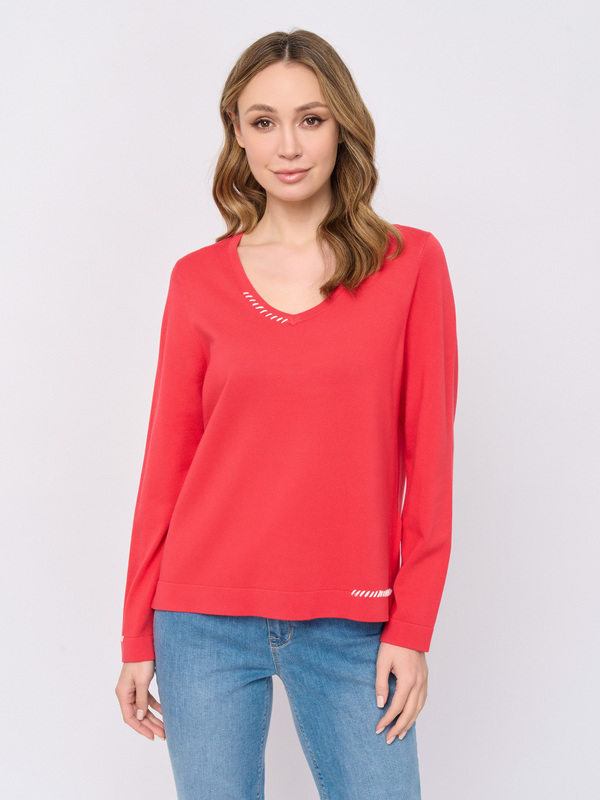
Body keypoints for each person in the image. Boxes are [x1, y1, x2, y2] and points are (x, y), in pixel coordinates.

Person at [115, 28, 458, 800]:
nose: (289, 145)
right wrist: (136, 631)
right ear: (237, 133)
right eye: (264, 121)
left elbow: (430, 462)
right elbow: (167, 465)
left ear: (343, 126)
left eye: (311, 119)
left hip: (352, 624)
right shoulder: (198, 280)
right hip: (200, 619)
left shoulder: (410, 265)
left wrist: (412, 626)